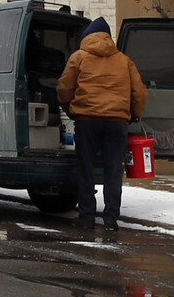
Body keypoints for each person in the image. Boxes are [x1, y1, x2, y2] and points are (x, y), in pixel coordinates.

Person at [56, 16, 147, 235]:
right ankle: (111, 219)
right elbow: (140, 93)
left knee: (86, 168)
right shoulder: (124, 60)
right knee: (113, 170)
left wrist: (70, 109)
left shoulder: (79, 57)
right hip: (117, 122)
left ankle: (86, 217)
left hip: (87, 121)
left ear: (88, 36)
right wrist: (133, 114)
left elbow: (64, 88)